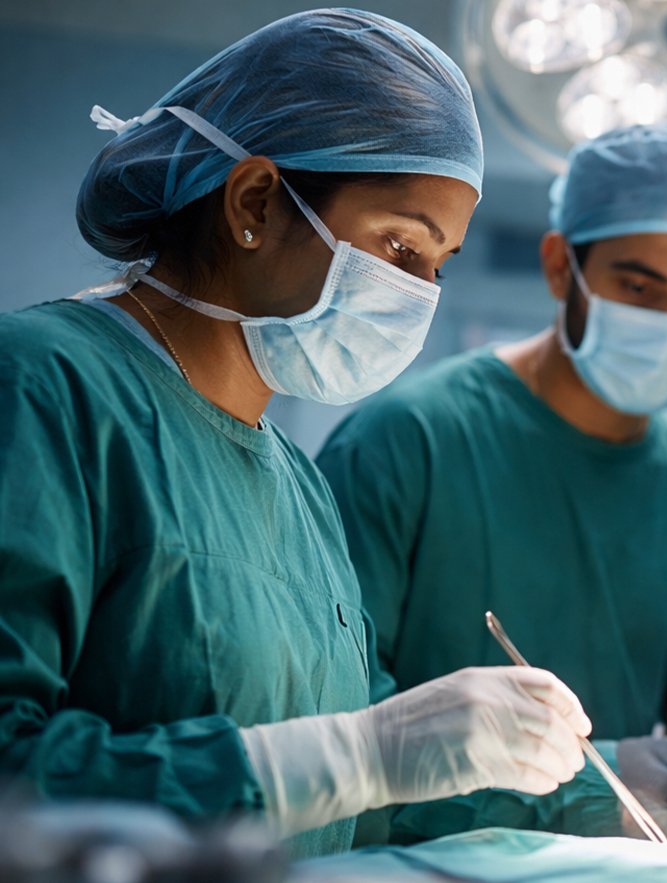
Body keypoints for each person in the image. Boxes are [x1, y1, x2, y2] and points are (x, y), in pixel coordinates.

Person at [0, 9, 594, 859]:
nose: (421, 294)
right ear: (254, 203)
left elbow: (367, 808)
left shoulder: (299, 486)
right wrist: (359, 753)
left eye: (439, 263)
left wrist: (586, 783)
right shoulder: (39, 387)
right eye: (400, 246)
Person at [314, 121, 667, 844]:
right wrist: (588, 788)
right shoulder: (407, 441)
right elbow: (327, 737)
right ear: (561, 267)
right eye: (640, 286)